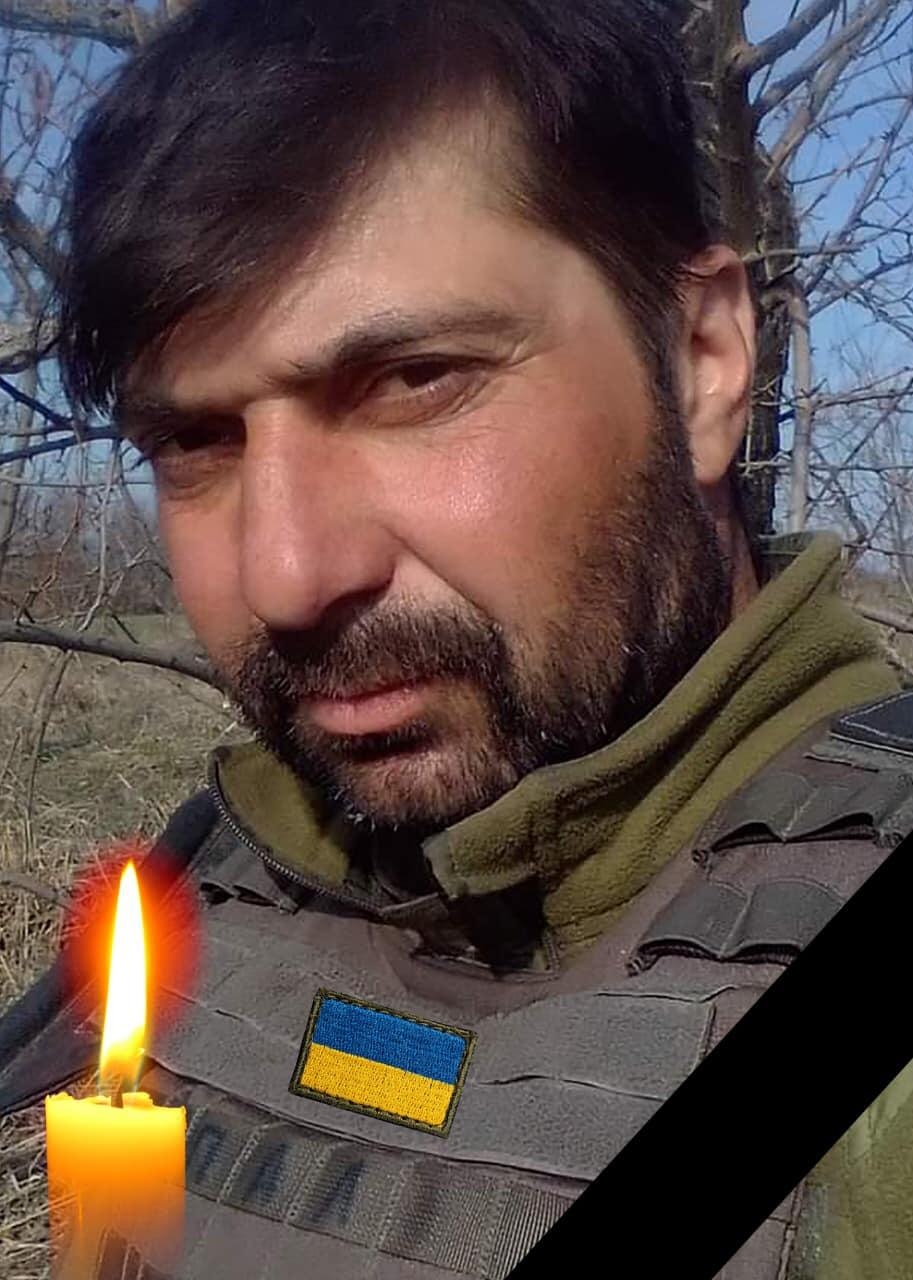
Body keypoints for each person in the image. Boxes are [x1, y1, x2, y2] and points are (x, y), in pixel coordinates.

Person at [1, 1, 911, 1277]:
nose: (288, 576)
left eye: (414, 379)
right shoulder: (215, 884)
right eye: (196, 441)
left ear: (703, 359)